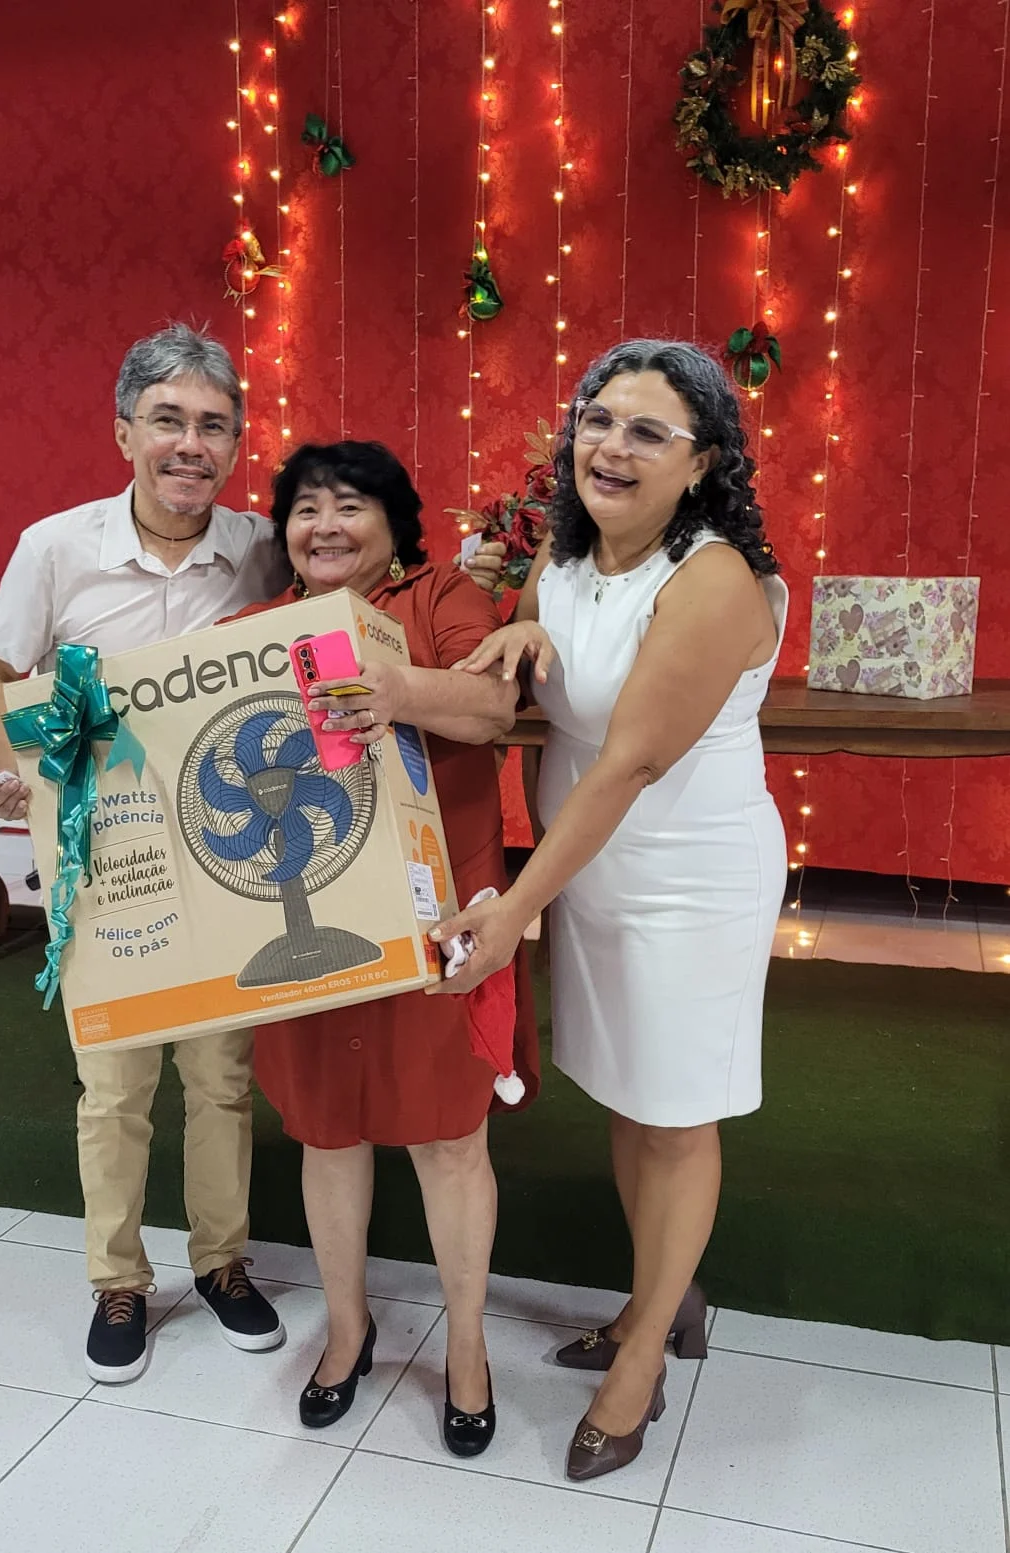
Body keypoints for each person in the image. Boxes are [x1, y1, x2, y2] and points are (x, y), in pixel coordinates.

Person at [0, 322, 507, 1385]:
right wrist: (32, 781)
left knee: (221, 1078)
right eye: (167, 420)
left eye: (213, 425)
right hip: (113, 857)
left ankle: (221, 1262)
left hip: (240, 865)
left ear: (235, 443)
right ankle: (118, 1279)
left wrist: (501, 603)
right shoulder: (55, 547)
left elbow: (354, 605)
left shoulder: (263, 546)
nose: (190, 443)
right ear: (124, 432)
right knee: (112, 1085)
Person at [432, 339, 788, 1483]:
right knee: (634, 1100)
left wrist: (511, 911)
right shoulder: (566, 554)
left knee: (678, 1115)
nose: (611, 447)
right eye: (597, 420)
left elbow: (629, 761)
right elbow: (539, 669)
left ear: (704, 462)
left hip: (689, 878)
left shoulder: (715, 579)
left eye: (647, 431)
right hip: (594, 872)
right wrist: (521, 627)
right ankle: (656, 1299)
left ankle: (642, 1360)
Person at [223, 440, 540, 1458]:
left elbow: (493, 709)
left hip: (440, 917)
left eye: (350, 505)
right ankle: (348, 1328)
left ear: (397, 525)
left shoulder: (443, 598)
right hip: (303, 925)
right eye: (305, 507)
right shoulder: (254, 632)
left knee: (450, 1138)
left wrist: (397, 689)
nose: (324, 525)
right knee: (326, 1132)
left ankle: (467, 1347)